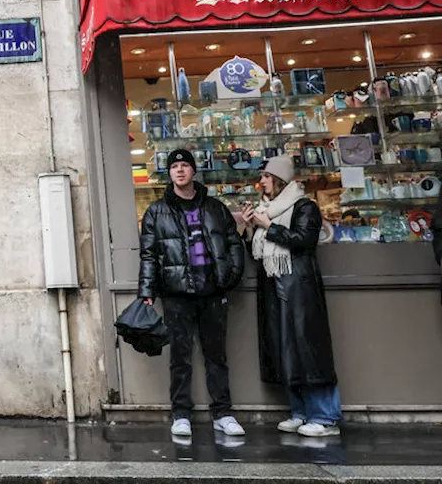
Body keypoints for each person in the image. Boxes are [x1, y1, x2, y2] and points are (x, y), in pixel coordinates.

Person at [138, 148, 246, 439]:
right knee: (180, 357)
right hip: (177, 294)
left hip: (212, 291)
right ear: (169, 173)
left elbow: (234, 243)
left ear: (193, 171)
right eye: (175, 167)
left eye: (185, 165)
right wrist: (147, 290)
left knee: (216, 356)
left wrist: (230, 277)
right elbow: (148, 255)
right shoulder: (156, 212)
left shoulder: (215, 207)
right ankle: (181, 414)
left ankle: (223, 413)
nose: (180, 170)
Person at [242, 156, 341, 438]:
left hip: (300, 287)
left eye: (266, 176)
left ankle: (324, 417)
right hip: (276, 287)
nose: (261, 181)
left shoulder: (304, 206)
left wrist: (267, 226)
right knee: (286, 348)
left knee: (309, 349)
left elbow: (304, 240)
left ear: (280, 179)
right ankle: (300, 411)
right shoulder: (267, 209)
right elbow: (256, 251)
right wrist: (252, 228)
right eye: (261, 176)